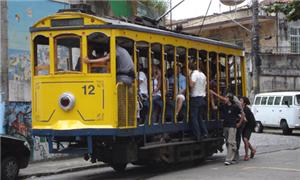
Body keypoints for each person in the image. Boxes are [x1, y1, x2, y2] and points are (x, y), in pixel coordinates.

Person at [211, 92, 241, 165]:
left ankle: (228, 159)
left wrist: (239, 123)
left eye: (227, 97)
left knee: (231, 141)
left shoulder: (235, 107)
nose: (225, 98)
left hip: (232, 126)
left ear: (230, 99)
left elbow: (242, 113)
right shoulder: (224, 106)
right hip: (225, 126)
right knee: (229, 142)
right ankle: (235, 156)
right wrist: (211, 98)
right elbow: (214, 107)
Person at [188, 62, 208, 140]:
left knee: (194, 117)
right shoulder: (203, 75)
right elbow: (205, 86)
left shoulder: (194, 74)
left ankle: (197, 135)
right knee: (199, 117)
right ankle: (205, 132)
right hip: (202, 98)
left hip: (195, 98)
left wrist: (189, 76)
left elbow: (191, 85)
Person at [240, 96, 256, 161]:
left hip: (250, 125)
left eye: (241, 100)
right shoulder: (241, 108)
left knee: (245, 139)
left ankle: (246, 155)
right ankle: (252, 150)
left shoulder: (246, 109)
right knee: (245, 140)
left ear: (244, 103)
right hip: (245, 125)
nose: (239, 101)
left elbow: (245, 120)